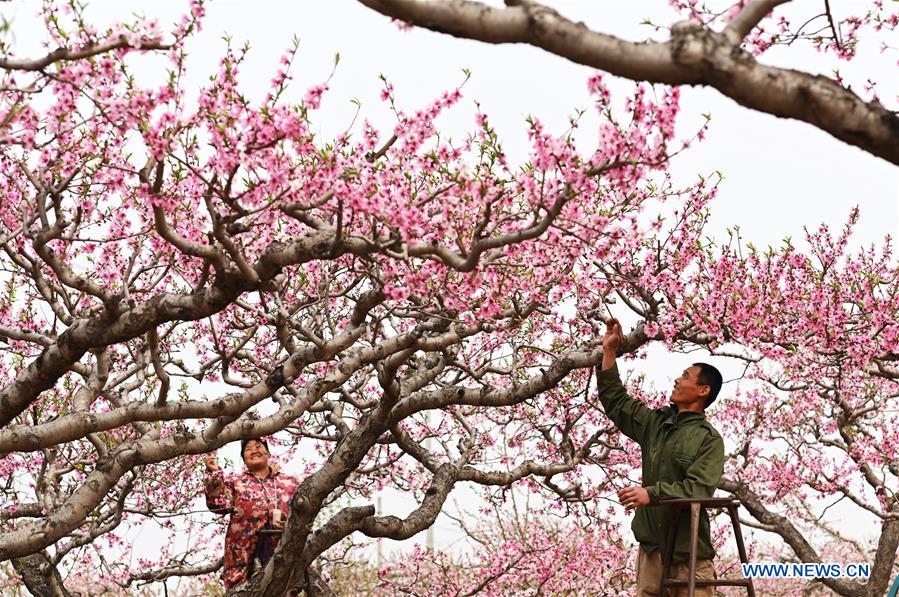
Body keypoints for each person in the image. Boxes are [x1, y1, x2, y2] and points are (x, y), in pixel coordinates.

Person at [596, 318, 725, 596]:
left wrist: (651, 494)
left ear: (703, 391)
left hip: (689, 555)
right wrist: (609, 351)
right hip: (652, 551)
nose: (678, 379)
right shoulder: (656, 424)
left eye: (686, 376)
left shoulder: (709, 439)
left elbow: (699, 489)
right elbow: (616, 402)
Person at [204, 438, 300, 590]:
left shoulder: (290, 482)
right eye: (248, 449)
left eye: (258, 446)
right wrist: (214, 473)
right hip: (242, 561)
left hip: (284, 556)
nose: (254, 450)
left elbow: (304, 514)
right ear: (243, 459)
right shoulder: (235, 482)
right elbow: (218, 505)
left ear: (268, 453)